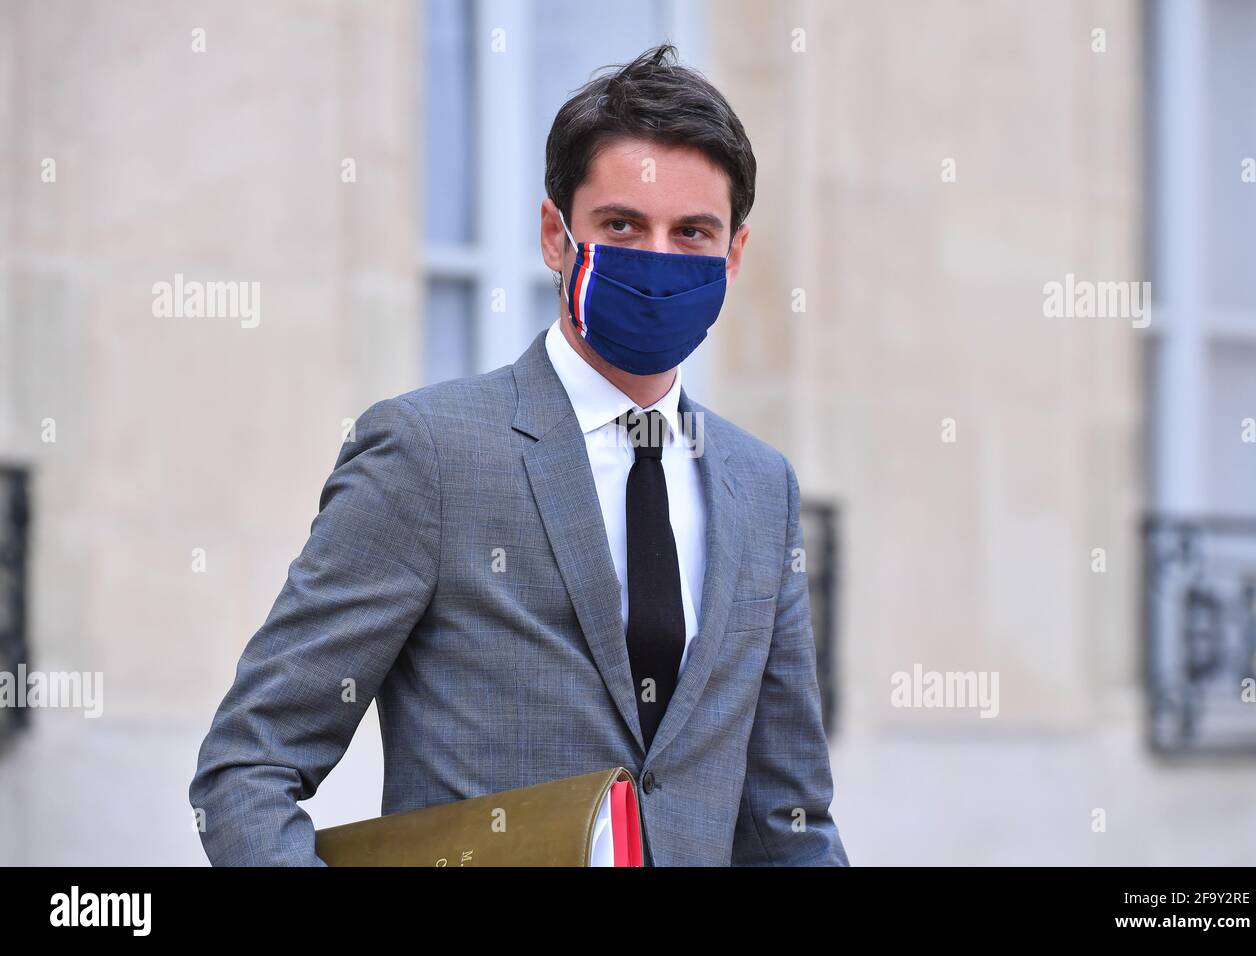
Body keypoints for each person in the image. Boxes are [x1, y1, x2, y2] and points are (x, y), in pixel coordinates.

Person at [189, 43, 848, 867]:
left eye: (692, 233)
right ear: (554, 235)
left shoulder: (762, 487)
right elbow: (248, 767)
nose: (658, 258)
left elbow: (788, 820)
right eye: (622, 225)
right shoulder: (429, 454)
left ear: (735, 256)